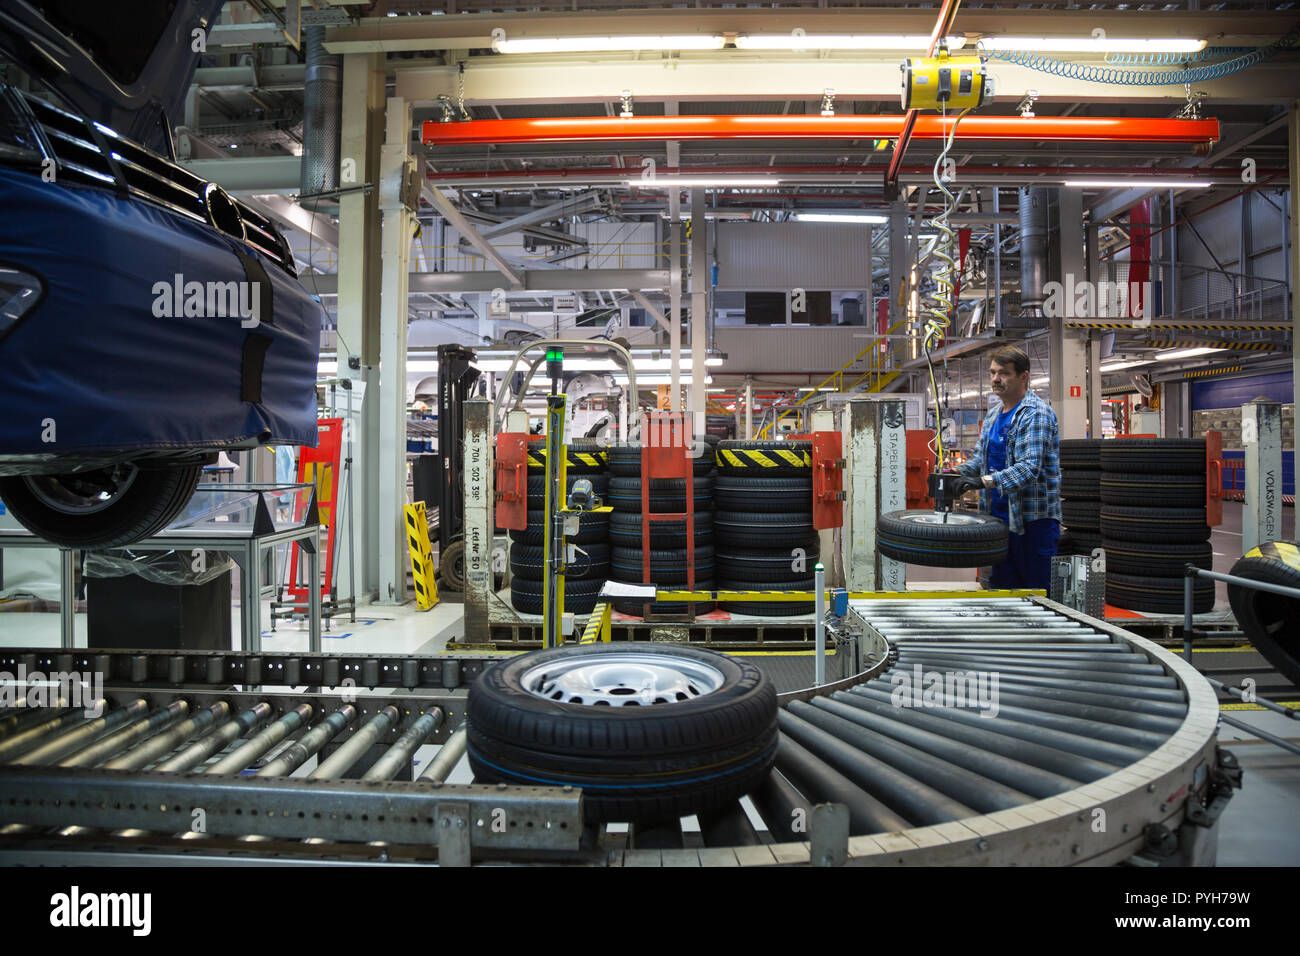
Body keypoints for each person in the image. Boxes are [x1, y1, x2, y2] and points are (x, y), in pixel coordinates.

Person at [952, 346, 1062, 589]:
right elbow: (979, 461)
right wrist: (956, 474)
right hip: (999, 522)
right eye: (992, 373)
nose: (995, 379)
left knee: (1037, 593)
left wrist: (984, 482)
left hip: (1033, 524)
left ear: (1024, 376)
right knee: (1001, 591)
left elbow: (1029, 468)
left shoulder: (1035, 414)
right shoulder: (993, 416)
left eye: (1003, 373)